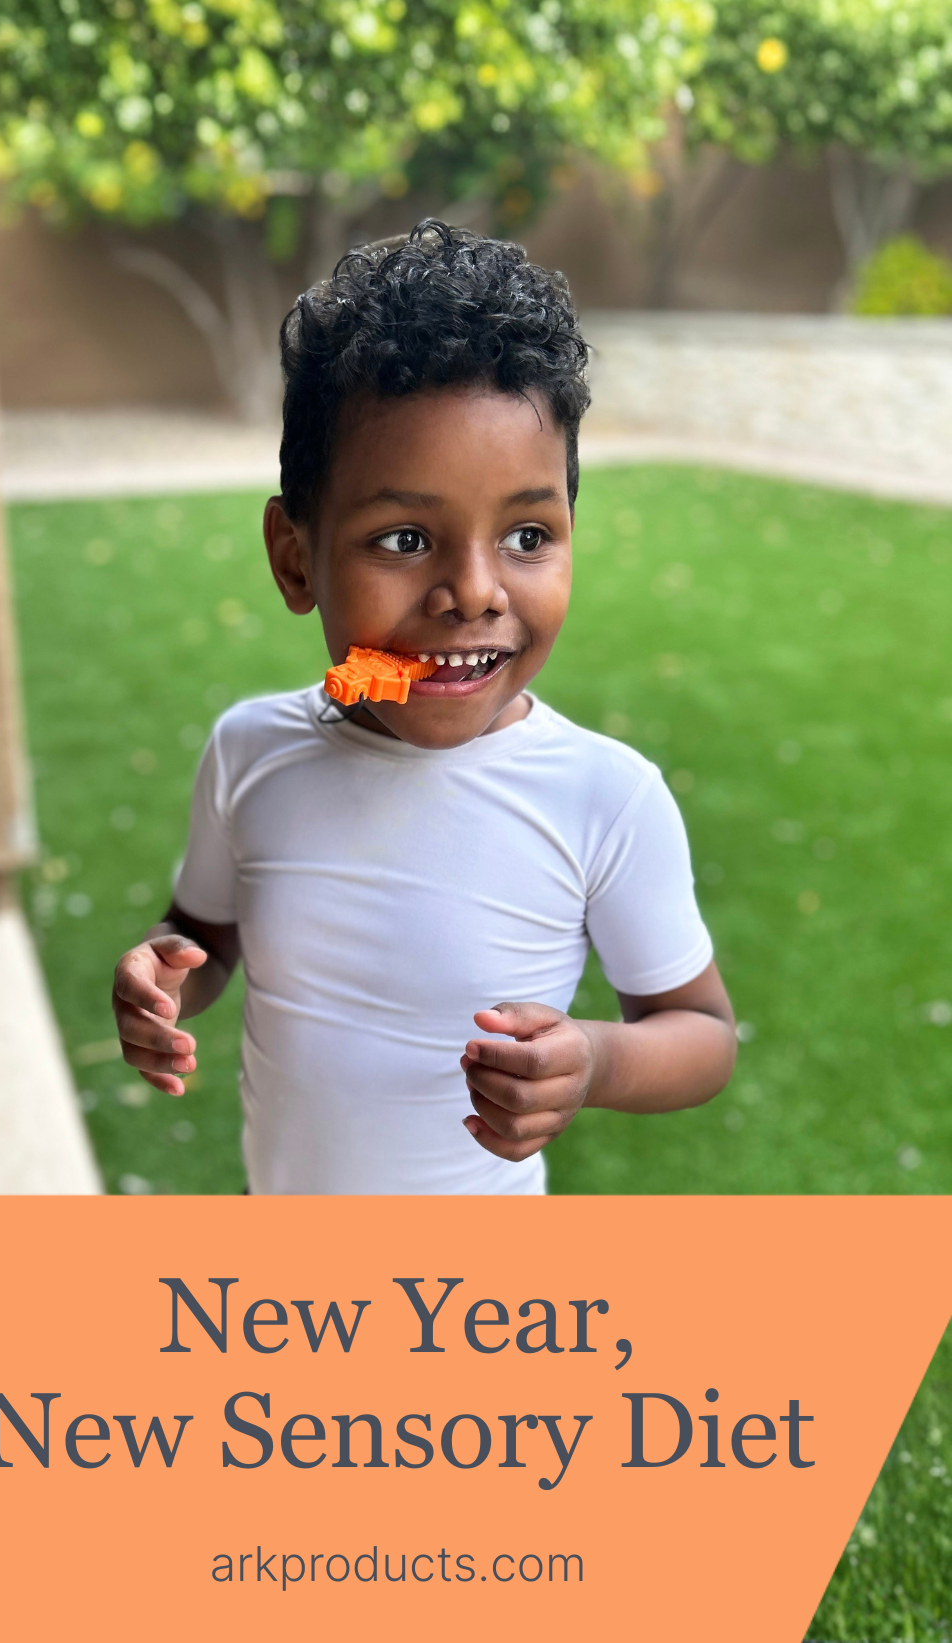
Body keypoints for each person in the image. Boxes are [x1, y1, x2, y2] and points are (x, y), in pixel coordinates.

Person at [111, 220, 736, 1195]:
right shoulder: (251, 752)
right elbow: (207, 928)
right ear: (294, 557)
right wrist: (166, 976)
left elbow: (700, 1033)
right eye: (405, 539)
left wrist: (597, 1061)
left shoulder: (604, 796)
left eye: (528, 534)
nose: (474, 592)